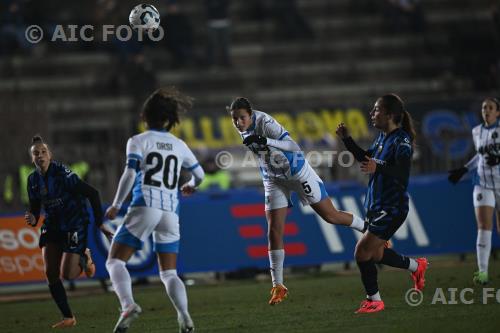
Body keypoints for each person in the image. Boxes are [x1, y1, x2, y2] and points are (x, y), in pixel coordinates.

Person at [228, 97, 367, 305]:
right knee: (274, 230)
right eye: (235, 119)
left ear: (251, 114)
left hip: (298, 173)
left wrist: (266, 140)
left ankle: (368, 229)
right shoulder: (242, 126)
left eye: (242, 118)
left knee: (331, 216)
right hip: (273, 179)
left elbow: (293, 146)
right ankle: (278, 286)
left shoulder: (265, 122)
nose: (239, 123)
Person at [105, 87, 204, 333]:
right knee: (169, 272)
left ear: (144, 116)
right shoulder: (179, 144)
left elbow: (130, 172)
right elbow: (200, 175)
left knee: (115, 261)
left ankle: (127, 305)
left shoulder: (138, 141)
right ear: (169, 119)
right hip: (171, 211)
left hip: (146, 204)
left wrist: (117, 204)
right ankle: (185, 317)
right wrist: (190, 185)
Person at [336, 94, 428, 313]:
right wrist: (347, 140)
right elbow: (367, 159)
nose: (372, 113)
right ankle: (417, 266)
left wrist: (379, 167)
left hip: (392, 206)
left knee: (361, 252)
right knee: (375, 254)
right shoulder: (381, 138)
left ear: (390, 114)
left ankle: (374, 300)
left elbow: (402, 174)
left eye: (376, 110)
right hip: (377, 206)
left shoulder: (401, 141)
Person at [25, 135, 113, 328]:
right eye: (35, 153)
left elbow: (93, 193)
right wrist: (32, 218)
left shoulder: (62, 174)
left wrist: (99, 223)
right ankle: (68, 317)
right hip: (53, 224)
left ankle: (85, 256)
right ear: (32, 159)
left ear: (50, 155)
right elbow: (34, 207)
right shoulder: (32, 180)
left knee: (69, 274)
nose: (40, 155)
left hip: (75, 222)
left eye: (43, 152)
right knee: (50, 272)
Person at [448, 97, 500, 285]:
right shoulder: (476, 131)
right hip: (482, 183)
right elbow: (480, 155)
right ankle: (483, 272)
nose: (486, 110)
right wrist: (463, 169)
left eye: (490, 108)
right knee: (484, 226)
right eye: (484, 107)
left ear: (497, 112)